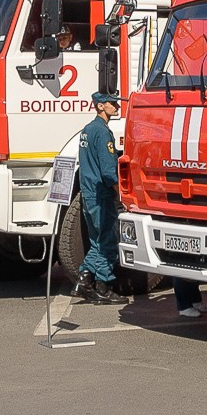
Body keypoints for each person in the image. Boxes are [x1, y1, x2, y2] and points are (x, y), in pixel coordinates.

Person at [73, 92, 125, 304]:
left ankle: (84, 280)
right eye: (112, 103)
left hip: (89, 192)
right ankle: (103, 285)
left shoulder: (87, 129)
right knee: (107, 241)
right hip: (101, 195)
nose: (116, 107)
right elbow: (108, 170)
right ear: (100, 106)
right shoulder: (103, 132)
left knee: (97, 240)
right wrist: (119, 192)